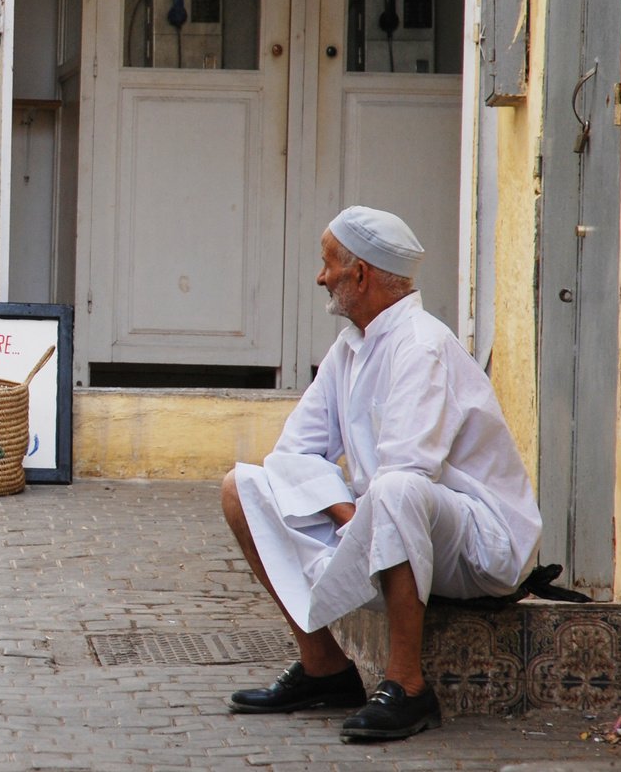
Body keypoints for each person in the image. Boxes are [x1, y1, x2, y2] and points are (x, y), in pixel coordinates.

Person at [221, 207, 541, 742]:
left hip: (478, 545)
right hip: (386, 521)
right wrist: (347, 514)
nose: (321, 277)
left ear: (361, 274)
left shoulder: (422, 344)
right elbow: (293, 453)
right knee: (244, 489)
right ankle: (323, 667)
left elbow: (407, 471)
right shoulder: (349, 348)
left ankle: (409, 687)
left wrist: (354, 517)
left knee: (396, 488)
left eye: (328, 264)